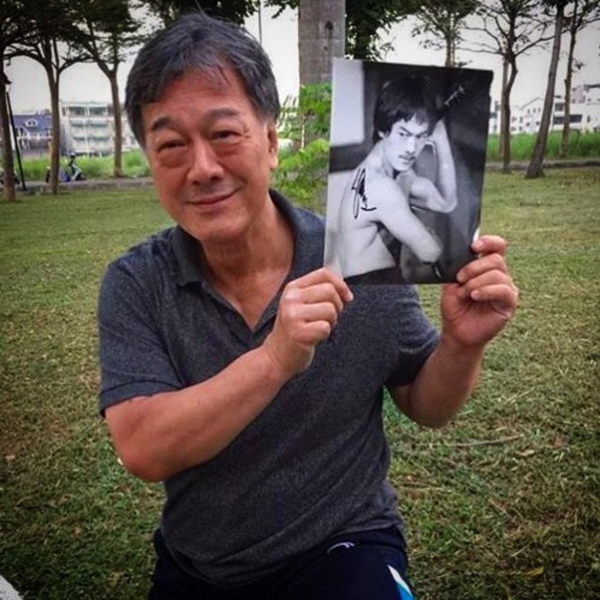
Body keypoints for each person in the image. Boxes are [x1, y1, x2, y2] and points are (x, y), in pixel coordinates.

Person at [97, 12, 518, 600]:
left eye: (224, 134)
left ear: (270, 141)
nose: (203, 168)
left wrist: (461, 345)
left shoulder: (357, 259)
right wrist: (273, 360)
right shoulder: (136, 283)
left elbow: (425, 403)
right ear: (150, 162)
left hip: (345, 544)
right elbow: (142, 446)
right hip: (204, 566)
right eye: (171, 145)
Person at [331, 75, 459, 284]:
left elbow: (446, 202)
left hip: (380, 285)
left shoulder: (400, 174)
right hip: (364, 290)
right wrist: (428, 235)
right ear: (383, 129)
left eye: (420, 136)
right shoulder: (378, 186)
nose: (411, 148)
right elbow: (431, 253)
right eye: (403, 133)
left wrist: (441, 139)